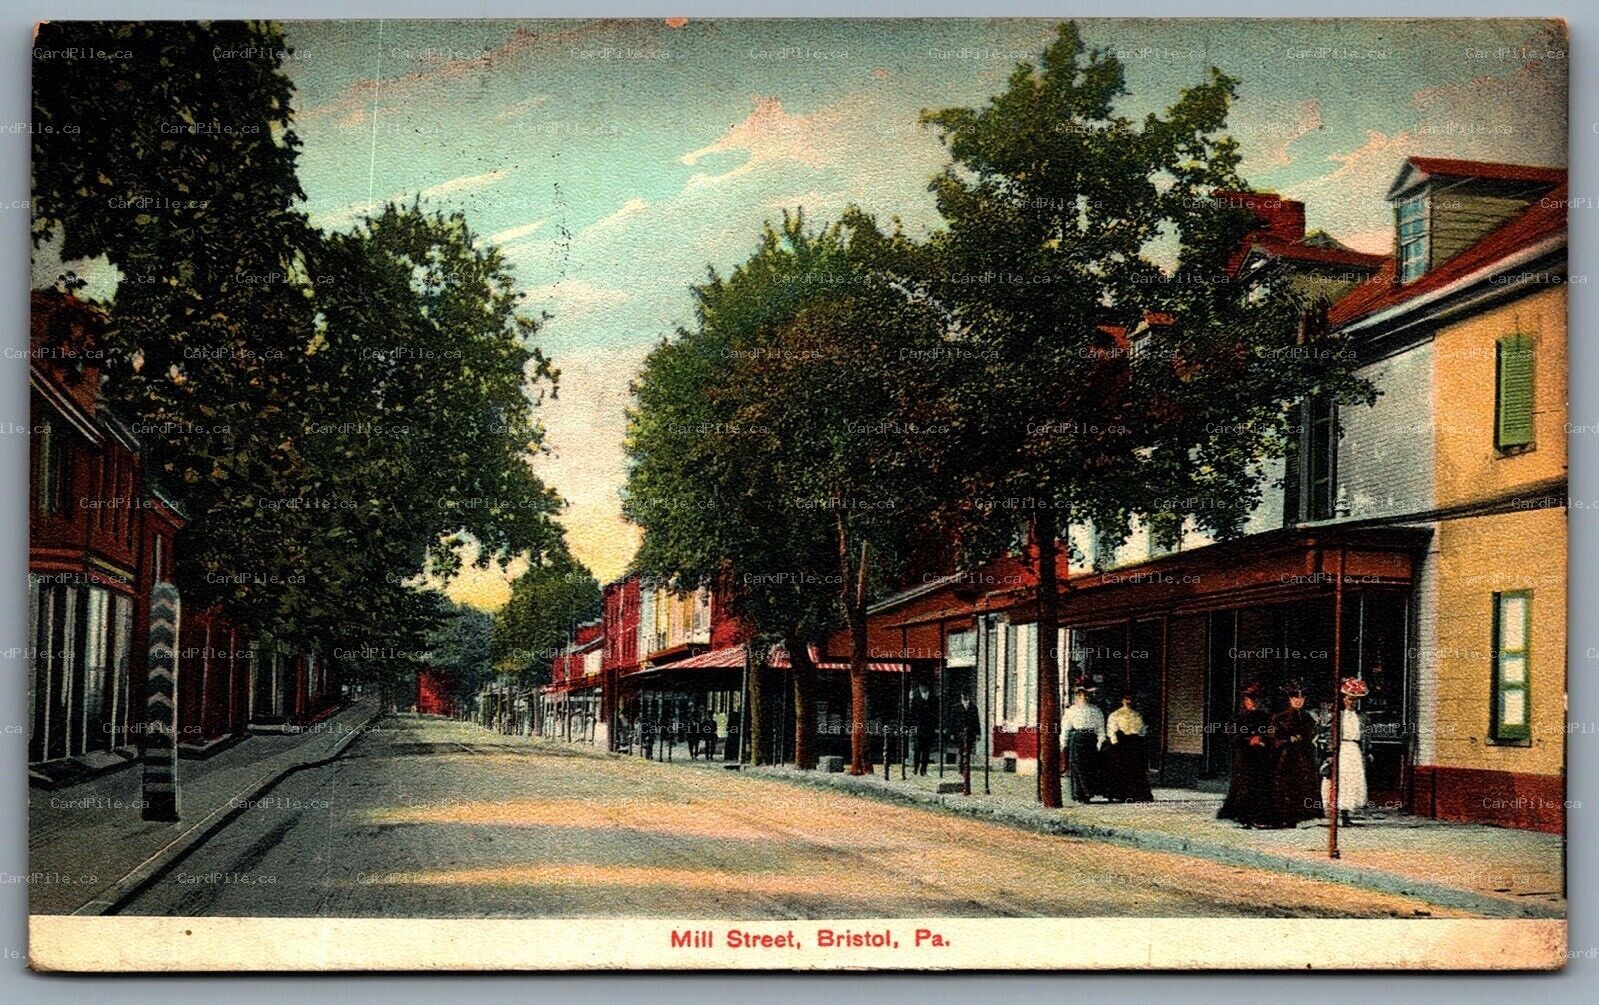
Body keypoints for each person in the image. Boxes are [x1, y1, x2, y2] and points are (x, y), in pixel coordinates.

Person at [1217, 682, 1275, 828]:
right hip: (1245, 757)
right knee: (1245, 787)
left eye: (1256, 700)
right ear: (1244, 701)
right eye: (1250, 699)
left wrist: (1263, 739)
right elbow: (1232, 737)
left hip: (1262, 758)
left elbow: (1273, 734)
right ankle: (1244, 816)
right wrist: (1248, 740)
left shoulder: (1266, 718)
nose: (1253, 703)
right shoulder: (1238, 719)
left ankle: (1262, 817)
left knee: (1262, 786)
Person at [1269, 681, 1322, 827]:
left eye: (1301, 698)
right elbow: (1272, 738)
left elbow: (1313, 735)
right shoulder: (1279, 718)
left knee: (1304, 785)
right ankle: (1285, 816)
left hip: (1304, 756)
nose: (1298, 701)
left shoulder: (1308, 718)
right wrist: (1288, 740)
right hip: (1286, 756)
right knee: (1286, 786)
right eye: (1295, 698)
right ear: (1290, 699)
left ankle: (1304, 815)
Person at [1323, 678, 1369, 826]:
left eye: (1354, 700)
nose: (1351, 702)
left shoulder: (1361, 717)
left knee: (1353, 780)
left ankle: (1347, 814)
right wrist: (1330, 753)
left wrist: (1368, 750)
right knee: (1342, 780)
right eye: (1349, 699)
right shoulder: (1338, 716)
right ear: (1344, 699)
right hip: (1341, 749)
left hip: (1355, 749)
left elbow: (1366, 735)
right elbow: (1329, 734)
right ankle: (1338, 814)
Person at [1102, 694, 1154, 803]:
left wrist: (1140, 738)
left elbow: (1142, 731)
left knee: (1136, 770)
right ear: (1122, 701)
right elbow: (1111, 731)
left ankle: (1136, 795)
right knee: (1121, 770)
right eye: (1126, 699)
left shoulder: (1137, 715)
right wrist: (1115, 745)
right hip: (1121, 744)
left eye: (1130, 699)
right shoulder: (1115, 714)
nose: (1128, 701)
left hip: (1134, 744)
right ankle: (1121, 794)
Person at [1061, 683, 1106, 803]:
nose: (1083, 698)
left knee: (1089, 766)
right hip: (1077, 738)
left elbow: (1100, 728)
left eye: (1085, 695)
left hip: (1091, 739)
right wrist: (1064, 743)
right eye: (1080, 695)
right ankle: (1078, 794)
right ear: (1076, 696)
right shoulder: (1071, 710)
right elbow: (1066, 728)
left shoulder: (1095, 710)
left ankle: (1089, 793)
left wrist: (1100, 742)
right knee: (1077, 766)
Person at [910, 683, 938, 776]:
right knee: (917, 749)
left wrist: (936, 726)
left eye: (923, 686)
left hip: (929, 728)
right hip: (919, 728)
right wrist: (912, 726)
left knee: (926, 750)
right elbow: (912, 714)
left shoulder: (934, 699)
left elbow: (937, 714)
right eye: (921, 686)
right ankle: (915, 768)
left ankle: (923, 770)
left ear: (927, 687)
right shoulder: (916, 699)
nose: (922, 688)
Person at [957, 691, 981, 794]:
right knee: (961, 750)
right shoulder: (957, 707)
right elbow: (954, 720)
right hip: (960, 732)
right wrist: (952, 732)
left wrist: (978, 733)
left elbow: (976, 720)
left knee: (968, 751)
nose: (965, 697)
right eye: (964, 695)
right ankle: (961, 768)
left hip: (970, 732)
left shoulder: (973, 707)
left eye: (967, 695)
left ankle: (966, 769)